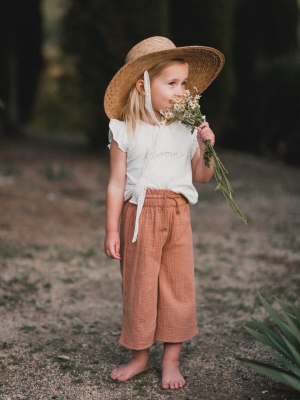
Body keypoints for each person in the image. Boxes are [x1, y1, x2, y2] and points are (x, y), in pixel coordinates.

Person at [104, 36, 224, 390]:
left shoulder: (187, 127)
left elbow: (201, 177)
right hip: (138, 214)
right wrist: (111, 230)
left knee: (177, 286)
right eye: (171, 83)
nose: (181, 90)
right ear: (143, 86)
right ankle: (140, 357)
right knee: (140, 287)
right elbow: (115, 184)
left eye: (184, 83)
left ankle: (171, 359)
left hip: (177, 213)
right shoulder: (125, 129)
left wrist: (207, 148)